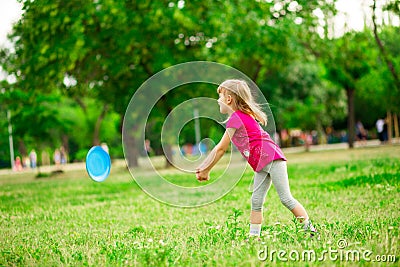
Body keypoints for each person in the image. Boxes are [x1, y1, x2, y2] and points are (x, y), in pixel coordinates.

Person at [196, 79, 317, 238]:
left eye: (220, 97)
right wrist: (203, 167)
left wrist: (206, 169)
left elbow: (220, 148)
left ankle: (312, 231)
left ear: (229, 99)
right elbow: (219, 148)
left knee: (286, 198)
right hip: (261, 164)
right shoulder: (241, 116)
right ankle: (254, 238)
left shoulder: (236, 118)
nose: (218, 101)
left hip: (273, 160)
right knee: (256, 201)